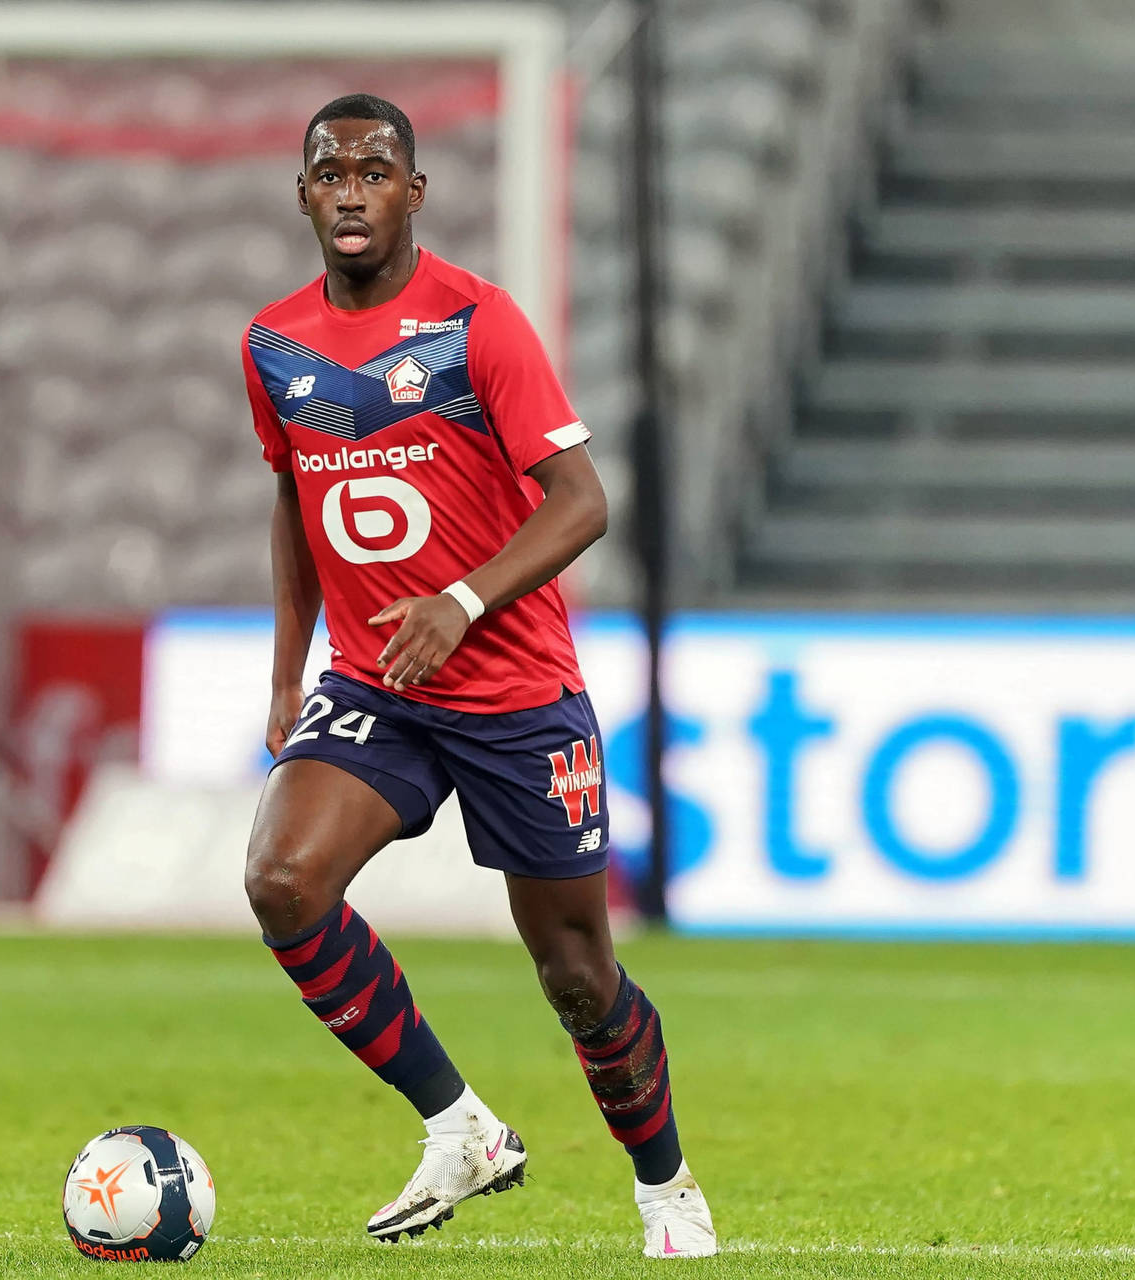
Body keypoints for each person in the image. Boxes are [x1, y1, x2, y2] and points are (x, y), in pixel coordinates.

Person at [237, 93, 716, 1259]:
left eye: (376, 168)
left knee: (575, 972)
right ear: (306, 196)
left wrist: (459, 602)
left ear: (415, 192)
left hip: (510, 689)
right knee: (283, 881)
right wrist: (288, 666)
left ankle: (667, 1182)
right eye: (330, 170)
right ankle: (461, 1124)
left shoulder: (477, 324)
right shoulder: (273, 346)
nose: (352, 186)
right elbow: (297, 511)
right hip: (379, 680)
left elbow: (584, 502)